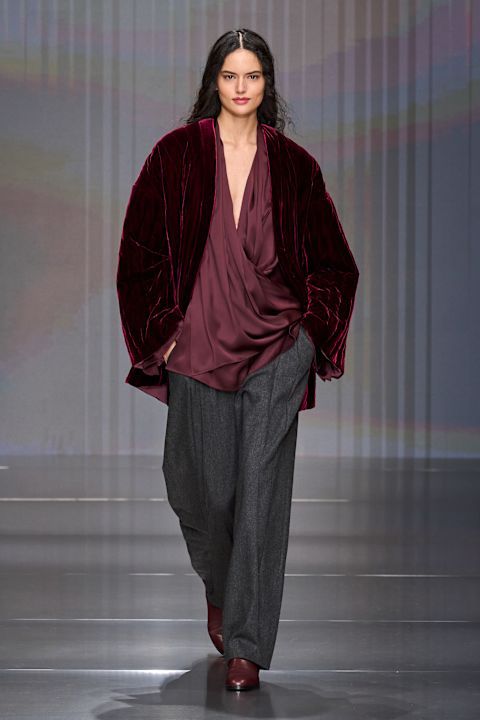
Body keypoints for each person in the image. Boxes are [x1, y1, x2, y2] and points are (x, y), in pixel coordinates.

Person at [116, 28, 359, 691]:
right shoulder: (176, 156)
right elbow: (139, 251)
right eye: (230, 75)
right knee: (199, 489)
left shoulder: (295, 166)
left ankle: (247, 645)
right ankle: (221, 587)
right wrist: (163, 333)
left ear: (266, 84)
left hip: (276, 348)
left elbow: (333, 262)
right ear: (214, 82)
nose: (242, 87)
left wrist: (310, 335)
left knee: (260, 494)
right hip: (198, 347)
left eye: (253, 76)